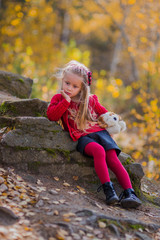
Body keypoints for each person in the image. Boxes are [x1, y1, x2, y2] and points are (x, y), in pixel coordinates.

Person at [47, 60, 142, 209]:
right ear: (62, 80)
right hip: (83, 137)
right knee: (98, 151)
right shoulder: (59, 99)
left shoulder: (90, 100)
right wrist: (65, 102)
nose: (69, 88)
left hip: (101, 134)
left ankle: (130, 193)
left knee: (112, 158)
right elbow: (52, 116)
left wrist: (112, 124)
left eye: (74, 86)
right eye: (67, 83)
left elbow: (106, 114)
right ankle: (109, 191)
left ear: (82, 88)